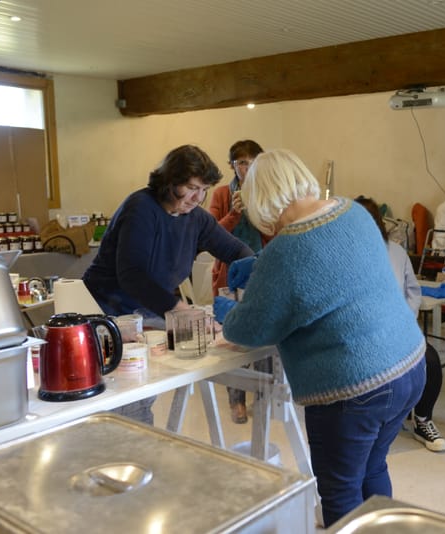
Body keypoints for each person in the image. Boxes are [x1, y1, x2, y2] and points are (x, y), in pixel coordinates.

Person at [213, 149, 426, 528]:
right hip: (408, 364)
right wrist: (262, 268)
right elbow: (332, 269)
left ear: (259, 198)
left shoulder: (286, 248)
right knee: (373, 468)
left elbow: (251, 330)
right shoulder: (352, 211)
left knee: (340, 489)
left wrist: (225, 313)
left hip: (355, 387)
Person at [82, 144, 254, 424]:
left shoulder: (196, 218)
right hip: (107, 311)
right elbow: (132, 275)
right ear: (169, 181)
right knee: (129, 399)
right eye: (191, 188)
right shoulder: (141, 208)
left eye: (204, 190)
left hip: (147, 311)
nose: (197, 198)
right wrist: (181, 310)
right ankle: (130, 457)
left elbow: (237, 251)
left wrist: (252, 272)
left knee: (153, 385)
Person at [354, 195, 445, 453]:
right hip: (365, 336)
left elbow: (413, 291)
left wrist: (405, 319)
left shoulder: (396, 252)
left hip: (400, 329)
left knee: (430, 361)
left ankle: (422, 420)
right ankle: (376, 422)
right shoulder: (345, 256)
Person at [208, 139, 270, 424]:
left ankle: (265, 394)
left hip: (262, 272)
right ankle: (237, 401)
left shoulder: (267, 192)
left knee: (264, 334)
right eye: (240, 162)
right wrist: (234, 213)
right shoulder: (222, 194)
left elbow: (274, 234)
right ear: (232, 165)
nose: (246, 168)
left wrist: (257, 211)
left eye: (251, 162)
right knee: (233, 337)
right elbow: (210, 235)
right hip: (229, 275)